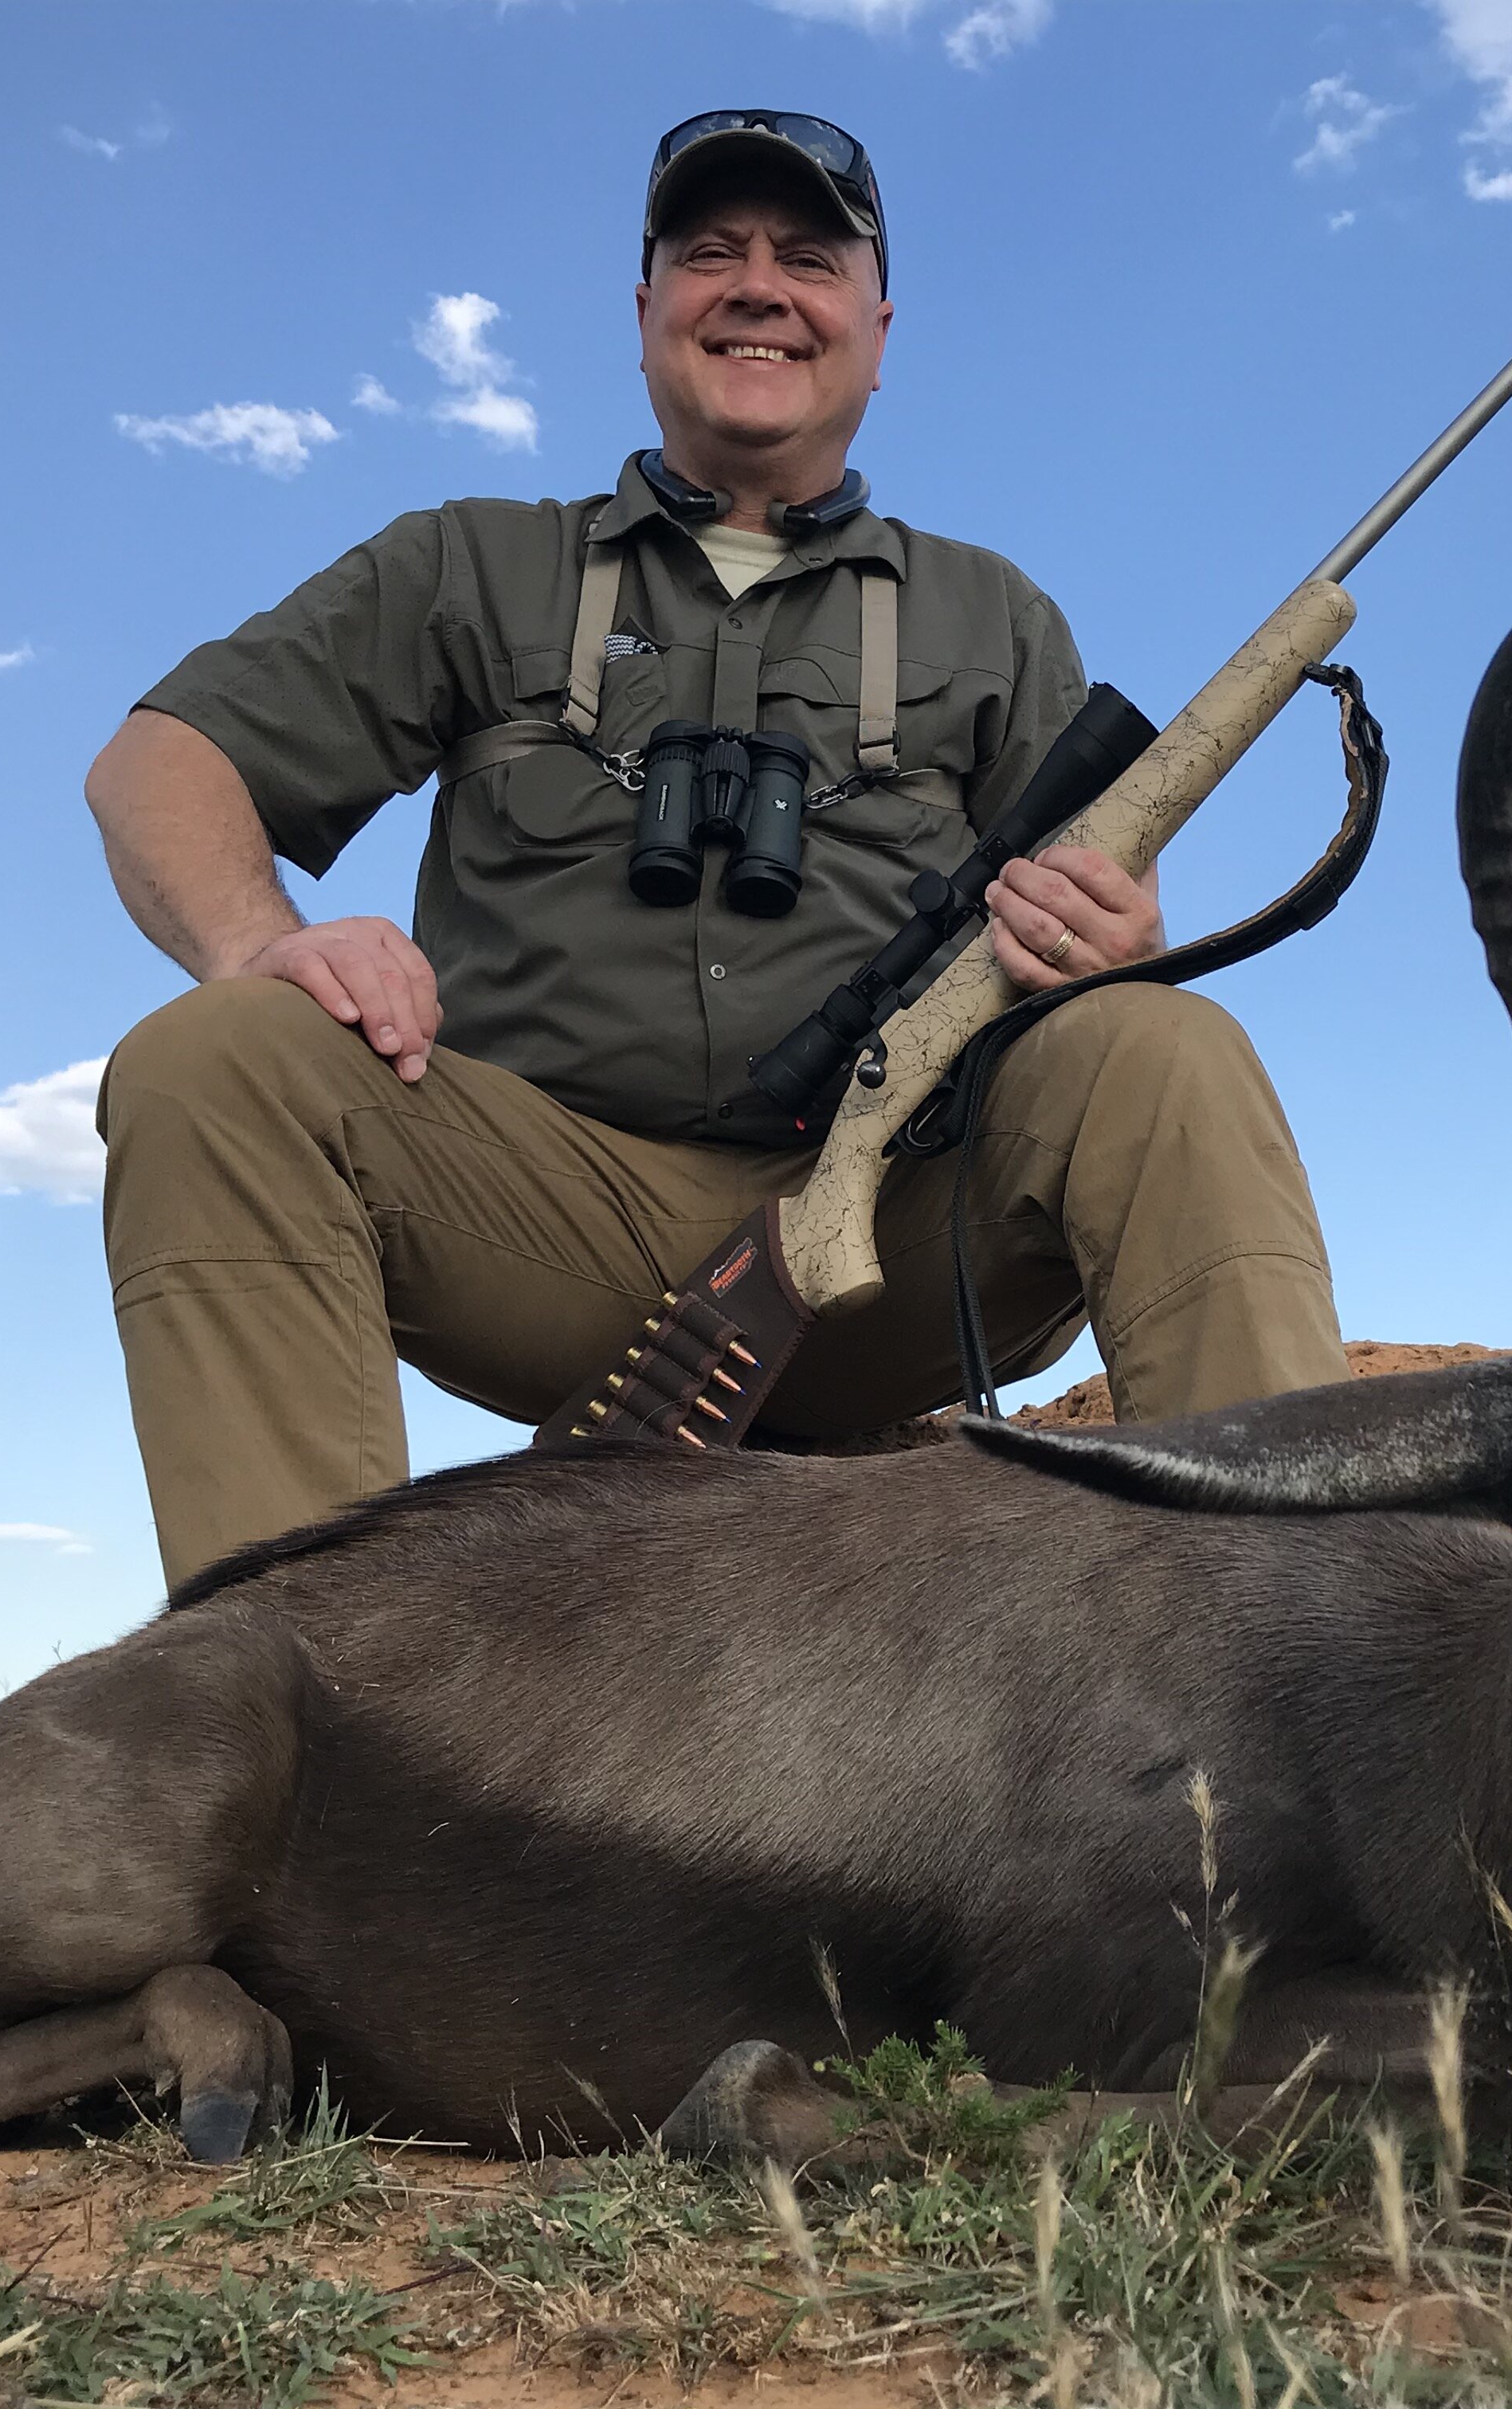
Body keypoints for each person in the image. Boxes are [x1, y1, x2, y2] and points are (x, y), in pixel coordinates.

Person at [85, 109, 1348, 1589]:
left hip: (899, 1228)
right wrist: (259, 942)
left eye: (809, 259)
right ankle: (312, 1721)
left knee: (1161, 1045)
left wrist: (1109, 945)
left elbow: (1099, 927)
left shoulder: (993, 613)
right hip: (546, 1229)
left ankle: (1296, 1659)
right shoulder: (468, 562)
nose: (758, 286)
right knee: (214, 1056)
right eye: (710, 254)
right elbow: (158, 763)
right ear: (643, 317)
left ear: (877, 332)